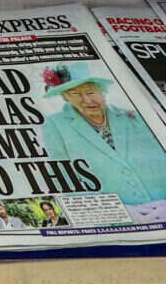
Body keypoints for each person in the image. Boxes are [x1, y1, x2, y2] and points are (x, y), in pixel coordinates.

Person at [40, 62, 166, 207]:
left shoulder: (134, 117)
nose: (87, 100)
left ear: (103, 90)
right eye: (75, 93)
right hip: (117, 217)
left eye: (91, 92)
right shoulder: (55, 124)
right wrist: (122, 211)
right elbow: (62, 177)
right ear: (65, 97)